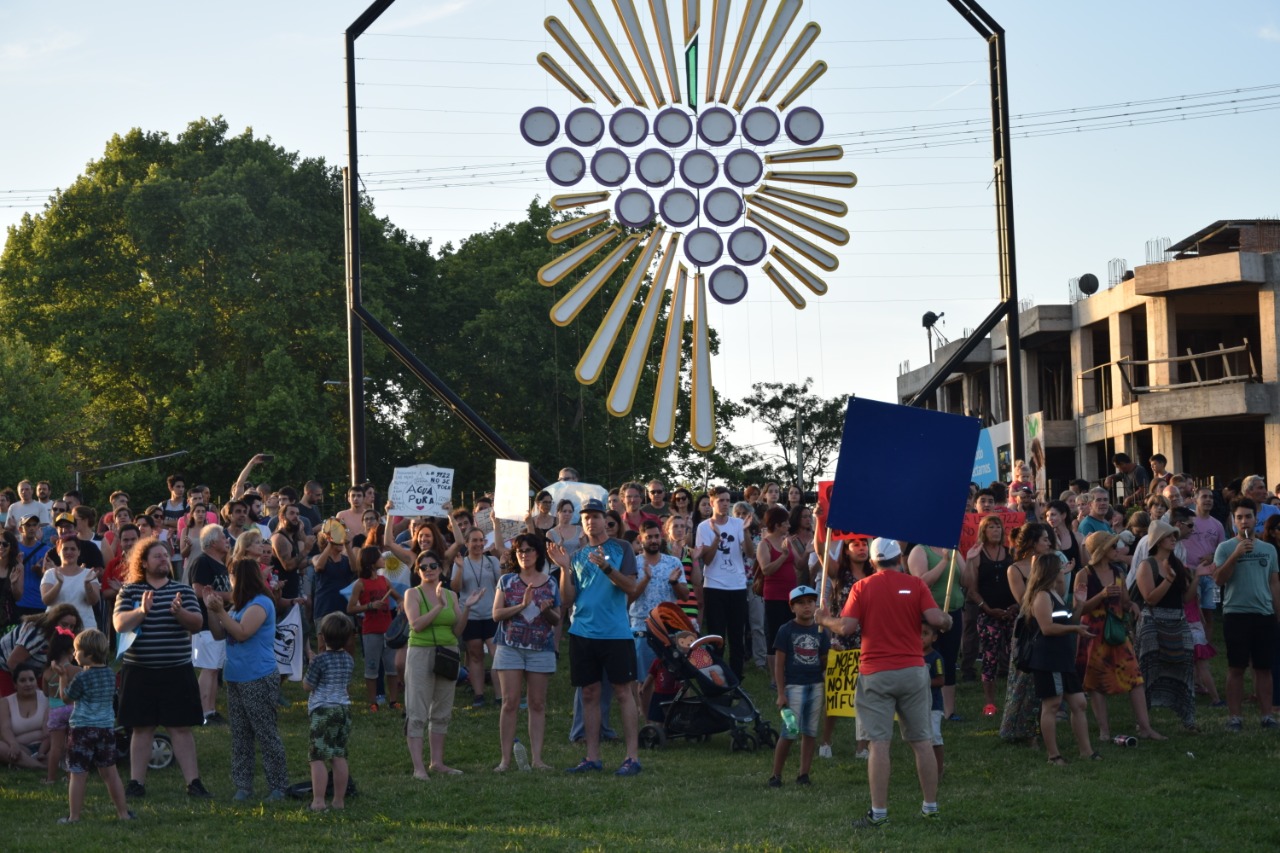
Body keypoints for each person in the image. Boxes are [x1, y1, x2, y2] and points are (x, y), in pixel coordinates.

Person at [816, 537, 953, 828]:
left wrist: (825, 620)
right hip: (913, 670)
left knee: (878, 744)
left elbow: (847, 627)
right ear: (899, 558)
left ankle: (879, 814)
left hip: (875, 672)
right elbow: (935, 619)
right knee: (922, 741)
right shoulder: (916, 585)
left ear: (873, 561)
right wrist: (946, 620)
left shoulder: (862, 587)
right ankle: (930, 807)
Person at [548, 497, 643, 777]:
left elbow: (631, 586)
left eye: (596, 516)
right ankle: (592, 757)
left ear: (605, 520)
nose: (591, 521)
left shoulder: (622, 548)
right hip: (582, 632)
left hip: (616, 633)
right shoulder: (577, 555)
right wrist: (564, 568)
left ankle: (632, 757)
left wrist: (606, 568)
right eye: (586, 517)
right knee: (588, 694)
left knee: (623, 692)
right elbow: (567, 599)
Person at [113, 538, 211, 799]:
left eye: (166, 556)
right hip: (139, 670)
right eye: (157, 556)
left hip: (176, 670)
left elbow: (197, 624)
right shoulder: (130, 591)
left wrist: (180, 614)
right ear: (143, 563)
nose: (164, 560)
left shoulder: (183, 591)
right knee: (141, 728)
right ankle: (136, 783)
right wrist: (141, 611)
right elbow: (119, 624)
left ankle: (194, 783)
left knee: (180, 728)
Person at [204, 557, 289, 801]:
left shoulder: (261, 603)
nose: (229, 582)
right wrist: (211, 609)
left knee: (265, 732)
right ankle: (243, 785)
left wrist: (221, 610)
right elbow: (219, 634)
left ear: (239, 578)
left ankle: (278, 786)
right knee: (240, 735)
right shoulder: (238, 607)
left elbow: (242, 633)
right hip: (237, 676)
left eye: (231, 577)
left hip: (257, 676)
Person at [1075, 531, 1165, 741]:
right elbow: (1078, 609)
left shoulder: (1118, 572)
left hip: (1116, 631)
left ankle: (1145, 727)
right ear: (1102, 550)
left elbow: (1124, 601)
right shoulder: (1084, 574)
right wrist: (1101, 595)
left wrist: (1132, 605)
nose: (1118, 550)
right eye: (1113, 546)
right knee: (1096, 681)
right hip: (1093, 632)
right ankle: (1104, 730)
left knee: (1135, 677)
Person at [404, 552, 482, 780]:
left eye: (433, 566)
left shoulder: (451, 595)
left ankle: (437, 763)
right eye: (423, 567)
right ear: (418, 571)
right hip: (421, 652)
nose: (428, 570)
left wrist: (467, 608)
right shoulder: (413, 594)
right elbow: (416, 625)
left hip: (448, 652)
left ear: (441, 569)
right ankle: (418, 768)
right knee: (417, 710)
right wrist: (438, 606)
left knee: (442, 709)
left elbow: (457, 630)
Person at [491, 533, 560, 772]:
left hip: (541, 649)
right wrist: (521, 605)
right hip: (510, 647)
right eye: (520, 550)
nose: (524, 554)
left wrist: (546, 611)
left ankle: (537, 759)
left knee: (537, 703)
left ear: (538, 553)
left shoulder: (551, 583)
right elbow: (496, 614)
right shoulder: (507, 581)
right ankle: (505, 760)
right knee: (509, 702)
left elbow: (557, 619)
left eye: (529, 550)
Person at [1021, 554, 1098, 765]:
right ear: (1051, 570)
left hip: (1062, 658)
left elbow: (1068, 621)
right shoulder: (1042, 596)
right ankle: (1053, 756)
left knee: (1079, 703)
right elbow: (1047, 628)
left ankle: (1086, 751)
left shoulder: (1056, 594)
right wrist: (1075, 629)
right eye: (1060, 567)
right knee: (1052, 705)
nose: (1063, 570)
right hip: (1048, 659)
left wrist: (1080, 605)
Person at [52, 629, 135, 823]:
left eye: (77, 651)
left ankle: (74, 817)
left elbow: (66, 698)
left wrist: (62, 676)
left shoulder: (82, 677)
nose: (74, 654)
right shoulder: (110, 674)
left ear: (88, 655)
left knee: (78, 774)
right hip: (106, 729)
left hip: (82, 730)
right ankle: (123, 814)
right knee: (110, 773)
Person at [1212, 497, 1280, 732]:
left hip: (1264, 614)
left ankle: (1267, 715)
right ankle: (1235, 717)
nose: (1244, 521)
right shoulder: (1225, 548)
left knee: (1264, 668)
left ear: (1255, 519)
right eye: (1239, 517)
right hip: (1236, 614)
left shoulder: (1268, 549)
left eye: (1248, 517)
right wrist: (1236, 555)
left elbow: (1274, 583)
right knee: (1236, 667)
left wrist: (1277, 613)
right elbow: (1218, 579)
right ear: (1233, 520)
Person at [1134, 520, 1198, 732]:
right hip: (1153, 621)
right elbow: (1150, 598)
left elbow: (1186, 598)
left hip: (1177, 620)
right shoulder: (1147, 565)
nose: (1174, 539)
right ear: (1159, 541)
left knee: (1186, 665)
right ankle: (1143, 721)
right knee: (1149, 668)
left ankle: (1187, 717)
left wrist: (1198, 577)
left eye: (1174, 536)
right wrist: (1168, 579)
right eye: (1169, 536)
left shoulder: (1177, 564)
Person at [816, 535, 874, 758]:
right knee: (836, 694)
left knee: (865, 695)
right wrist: (819, 523)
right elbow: (820, 550)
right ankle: (826, 741)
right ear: (846, 550)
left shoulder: (874, 574)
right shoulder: (839, 573)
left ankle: (862, 746)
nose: (861, 548)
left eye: (864, 544)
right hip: (841, 641)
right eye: (855, 545)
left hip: (868, 640)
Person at [767, 585, 829, 788]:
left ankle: (804, 774)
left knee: (810, 732)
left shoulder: (821, 631)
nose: (807, 607)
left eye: (810, 602)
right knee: (789, 731)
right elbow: (779, 664)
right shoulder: (786, 630)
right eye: (801, 603)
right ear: (792, 607)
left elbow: (824, 661)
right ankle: (776, 774)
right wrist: (781, 693)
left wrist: (833, 652)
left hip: (816, 686)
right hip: (793, 687)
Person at [999, 522, 1054, 743]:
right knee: (1024, 679)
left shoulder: (1050, 564)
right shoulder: (1015, 569)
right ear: (1032, 542)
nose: (1049, 543)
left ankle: (1040, 727)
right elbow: (1024, 600)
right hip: (1029, 628)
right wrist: (1036, 575)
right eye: (1044, 539)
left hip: (1049, 622)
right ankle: (1018, 729)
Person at [963, 514, 1016, 717]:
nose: (996, 531)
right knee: (989, 658)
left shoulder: (1010, 552)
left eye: (998, 527)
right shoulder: (978, 554)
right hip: (988, 614)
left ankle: (1015, 700)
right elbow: (970, 588)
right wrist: (986, 608)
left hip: (1011, 612)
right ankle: (990, 703)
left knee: (1015, 657)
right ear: (983, 531)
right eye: (991, 527)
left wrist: (1015, 606)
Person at [695, 487, 750, 679]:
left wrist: (746, 532)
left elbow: (750, 553)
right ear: (712, 503)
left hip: (738, 586)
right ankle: (717, 679)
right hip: (714, 586)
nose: (726, 504)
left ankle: (736, 680)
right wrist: (717, 538)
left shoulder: (738, 523)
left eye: (728, 500)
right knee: (717, 637)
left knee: (737, 637)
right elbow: (707, 560)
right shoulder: (704, 527)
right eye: (721, 500)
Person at [907, 542, 964, 720]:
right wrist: (944, 561)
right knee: (927, 660)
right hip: (929, 615)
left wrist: (968, 560)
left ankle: (948, 711)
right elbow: (922, 582)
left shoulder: (953, 549)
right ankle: (922, 706)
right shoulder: (919, 550)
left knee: (949, 661)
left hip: (952, 613)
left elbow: (967, 581)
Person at [304, 612, 355, 811]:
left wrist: (311, 665)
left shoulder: (320, 660)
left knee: (317, 757)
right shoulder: (349, 660)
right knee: (338, 755)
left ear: (323, 637)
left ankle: (318, 801)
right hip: (343, 709)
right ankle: (338, 801)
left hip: (323, 711)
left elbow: (308, 686)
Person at [348, 547, 402, 712]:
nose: (383, 559)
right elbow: (350, 608)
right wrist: (369, 606)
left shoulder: (385, 581)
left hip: (389, 631)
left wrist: (401, 604)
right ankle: (373, 702)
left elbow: (398, 597)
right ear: (371, 563)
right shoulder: (360, 584)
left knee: (392, 668)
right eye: (380, 557)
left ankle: (393, 701)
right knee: (371, 668)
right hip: (371, 631)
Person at [453, 527, 501, 708]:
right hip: (470, 615)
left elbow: (501, 583)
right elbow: (456, 588)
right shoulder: (460, 562)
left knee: (497, 655)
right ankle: (479, 694)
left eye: (481, 540)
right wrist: (459, 569)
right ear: (466, 543)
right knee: (475, 655)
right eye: (474, 540)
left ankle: (500, 695)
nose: (478, 544)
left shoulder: (492, 560)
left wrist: (503, 564)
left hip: (491, 614)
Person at [190, 524, 231, 726]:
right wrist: (230, 596)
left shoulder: (220, 564)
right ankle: (203, 712)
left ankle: (211, 710)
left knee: (215, 667)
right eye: (223, 537)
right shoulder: (202, 562)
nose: (227, 540)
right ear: (213, 542)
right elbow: (198, 590)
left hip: (218, 622)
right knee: (209, 667)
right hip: (206, 623)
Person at [756, 506, 800, 681]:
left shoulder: (787, 541)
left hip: (791, 596)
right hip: (774, 597)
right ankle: (775, 678)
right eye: (786, 523)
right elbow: (766, 570)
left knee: (791, 633)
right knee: (774, 635)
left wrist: (809, 551)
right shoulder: (764, 544)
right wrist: (782, 556)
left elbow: (800, 564)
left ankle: (789, 673)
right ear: (777, 525)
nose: (789, 525)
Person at [0, 603, 82, 697]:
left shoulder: (61, 638)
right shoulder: (38, 634)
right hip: (5, 668)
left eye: (72, 626)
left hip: (34, 671)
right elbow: (13, 662)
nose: (68, 630)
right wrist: (33, 688)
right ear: (54, 622)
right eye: (64, 624)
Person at [40, 535, 100, 631]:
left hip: (84, 627)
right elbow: (46, 601)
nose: (69, 552)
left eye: (73, 549)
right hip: (55, 628)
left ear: (78, 552)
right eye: (65, 549)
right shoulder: (50, 573)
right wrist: (59, 583)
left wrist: (87, 584)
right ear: (58, 552)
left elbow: (93, 601)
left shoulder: (89, 574)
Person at [0, 663, 47, 769]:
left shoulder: (46, 697)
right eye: (22, 680)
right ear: (15, 684)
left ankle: (26, 763)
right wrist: (13, 744)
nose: (28, 684)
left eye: (31, 679)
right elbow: (5, 728)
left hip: (46, 747)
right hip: (20, 748)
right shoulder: (5, 702)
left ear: (36, 681)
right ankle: (40, 766)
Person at [922, 623, 945, 780]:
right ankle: (925, 769)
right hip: (918, 705)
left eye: (925, 633)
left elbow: (941, 680)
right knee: (922, 738)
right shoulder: (912, 656)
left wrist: (923, 682)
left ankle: (939, 769)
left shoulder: (936, 658)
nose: (920, 638)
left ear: (934, 637)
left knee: (935, 736)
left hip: (933, 705)